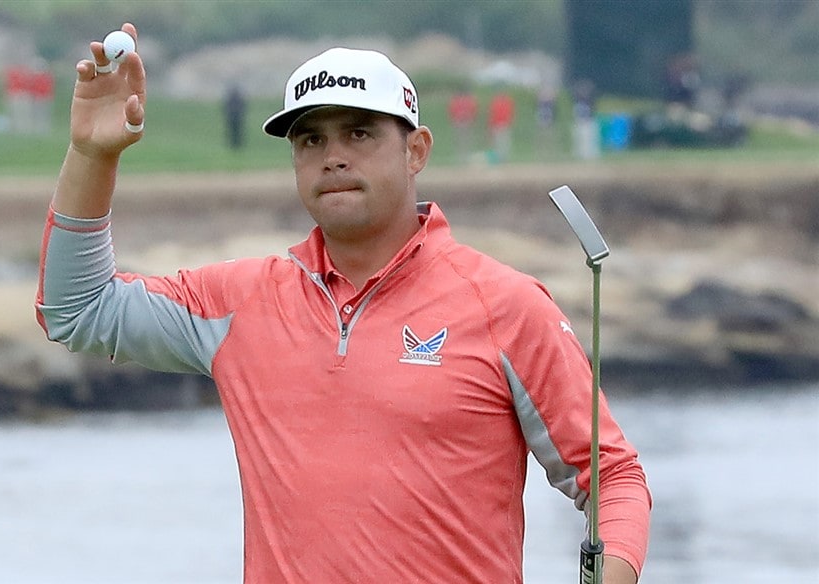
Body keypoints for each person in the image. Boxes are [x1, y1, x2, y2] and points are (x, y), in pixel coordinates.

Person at [36, 22, 651, 583]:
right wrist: (93, 155)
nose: (333, 155)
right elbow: (78, 308)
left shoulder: (505, 305)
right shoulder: (240, 301)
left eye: (359, 132)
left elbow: (612, 478)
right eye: (310, 139)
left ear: (416, 150)